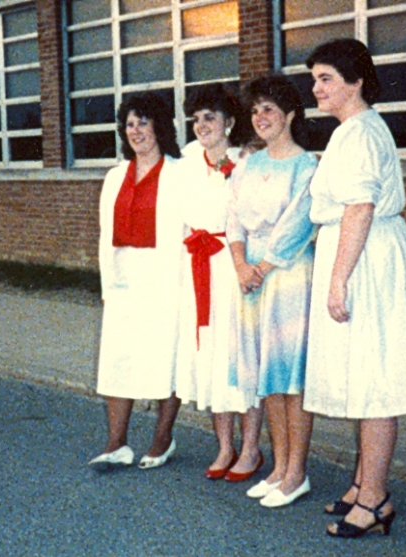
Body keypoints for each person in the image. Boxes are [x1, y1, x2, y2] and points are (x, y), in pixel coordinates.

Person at [303, 39, 406, 538]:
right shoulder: (352, 131)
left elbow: (360, 209)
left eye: (326, 78)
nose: (316, 88)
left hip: (367, 259)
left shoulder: (361, 134)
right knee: (359, 372)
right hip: (357, 252)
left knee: (374, 379)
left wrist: (338, 279)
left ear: (356, 82)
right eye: (315, 78)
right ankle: (361, 483)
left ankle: (374, 500)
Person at [226, 75, 318, 507]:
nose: (260, 117)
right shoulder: (248, 164)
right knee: (269, 378)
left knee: (290, 376)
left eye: (269, 109)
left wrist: (261, 267)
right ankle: (279, 468)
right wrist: (241, 264)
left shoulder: (306, 166)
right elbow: (234, 220)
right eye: (255, 110)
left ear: (290, 115)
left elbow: (299, 222)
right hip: (251, 279)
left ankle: (296, 472)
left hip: (288, 275)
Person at [89, 92, 187, 470]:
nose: (136, 131)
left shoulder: (179, 172)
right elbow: (104, 234)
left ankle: (163, 438)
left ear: (159, 125)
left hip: (166, 277)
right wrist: (107, 286)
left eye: (143, 122)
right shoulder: (115, 176)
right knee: (119, 357)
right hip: (125, 277)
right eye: (129, 124)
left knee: (166, 357)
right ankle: (117, 443)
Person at [175, 83, 265, 482]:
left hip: (232, 264)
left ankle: (251, 449)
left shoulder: (247, 160)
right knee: (210, 357)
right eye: (195, 119)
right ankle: (224, 446)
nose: (201, 126)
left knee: (241, 356)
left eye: (209, 117)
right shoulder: (189, 160)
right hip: (197, 267)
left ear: (230, 121)